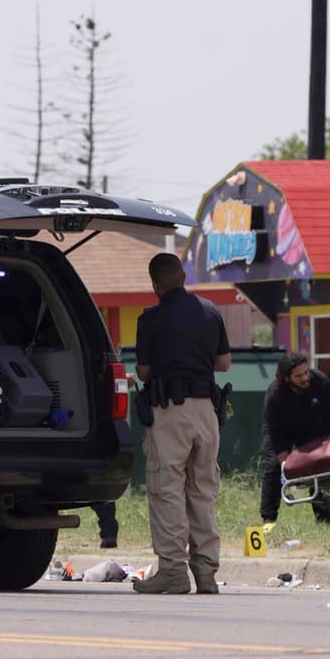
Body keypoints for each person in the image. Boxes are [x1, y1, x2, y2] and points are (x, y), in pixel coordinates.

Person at [132, 253, 231, 595]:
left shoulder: (151, 318)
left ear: (155, 284)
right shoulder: (210, 311)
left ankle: (173, 571)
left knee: (167, 490)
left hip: (169, 412)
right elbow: (224, 363)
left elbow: (144, 372)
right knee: (202, 491)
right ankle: (206, 574)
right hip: (207, 411)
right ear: (184, 275)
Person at [260, 351, 330, 527]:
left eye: (306, 372)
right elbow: (276, 434)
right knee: (273, 467)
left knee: (318, 465)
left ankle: (324, 519)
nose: (305, 378)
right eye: (298, 376)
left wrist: (324, 443)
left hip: (312, 427)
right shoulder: (275, 396)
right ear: (286, 378)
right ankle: (268, 520)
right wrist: (285, 467)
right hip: (281, 429)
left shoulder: (321, 382)